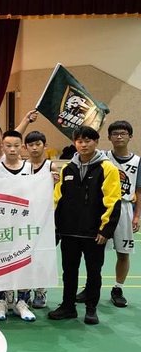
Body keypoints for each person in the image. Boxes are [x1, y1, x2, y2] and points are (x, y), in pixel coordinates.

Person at [49, 126, 121, 325]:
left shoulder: (108, 168)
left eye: (88, 140)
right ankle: (68, 306)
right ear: (75, 143)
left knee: (94, 272)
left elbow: (113, 200)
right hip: (69, 232)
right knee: (69, 272)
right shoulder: (67, 168)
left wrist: (105, 230)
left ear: (96, 142)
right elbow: (57, 200)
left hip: (94, 233)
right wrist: (56, 227)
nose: (83, 144)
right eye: (79, 141)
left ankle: (91, 308)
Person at [74, 121, 140, 309]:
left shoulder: (137, 161)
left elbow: (139, 190)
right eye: (115, 133)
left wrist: (137, 216)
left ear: (130, 136)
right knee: (94, 251)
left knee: (123, 252)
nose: (119, 137)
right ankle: (90, 286)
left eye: (123, 133)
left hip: (125, 207)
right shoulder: (102, 157)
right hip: (102, 208)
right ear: (109, 137)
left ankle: (118, 289)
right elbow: (82, 148)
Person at [0, 130, 37, 322]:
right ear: (2, 146)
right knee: (1, 261)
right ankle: (0, 301)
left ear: (22, 147)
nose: (12, 149)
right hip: (2, 223)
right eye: (8, 146)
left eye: (16, 146)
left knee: (23, 261)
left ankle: (22, 302)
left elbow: (36, 193)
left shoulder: (30, 168)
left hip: (23, 222)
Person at [24, 130, 60, 308]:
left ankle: (41, 291)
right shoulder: (22, 167)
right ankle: (24, 291)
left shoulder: (51, 167)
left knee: (42, 256)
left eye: (38, 144)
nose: (34, 148)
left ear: (45, 146)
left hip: (46, 219)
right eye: (31, 145)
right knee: (25, 256)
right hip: (26, 218)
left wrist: (55, 182)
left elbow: (59, 193)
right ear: (25, 147)